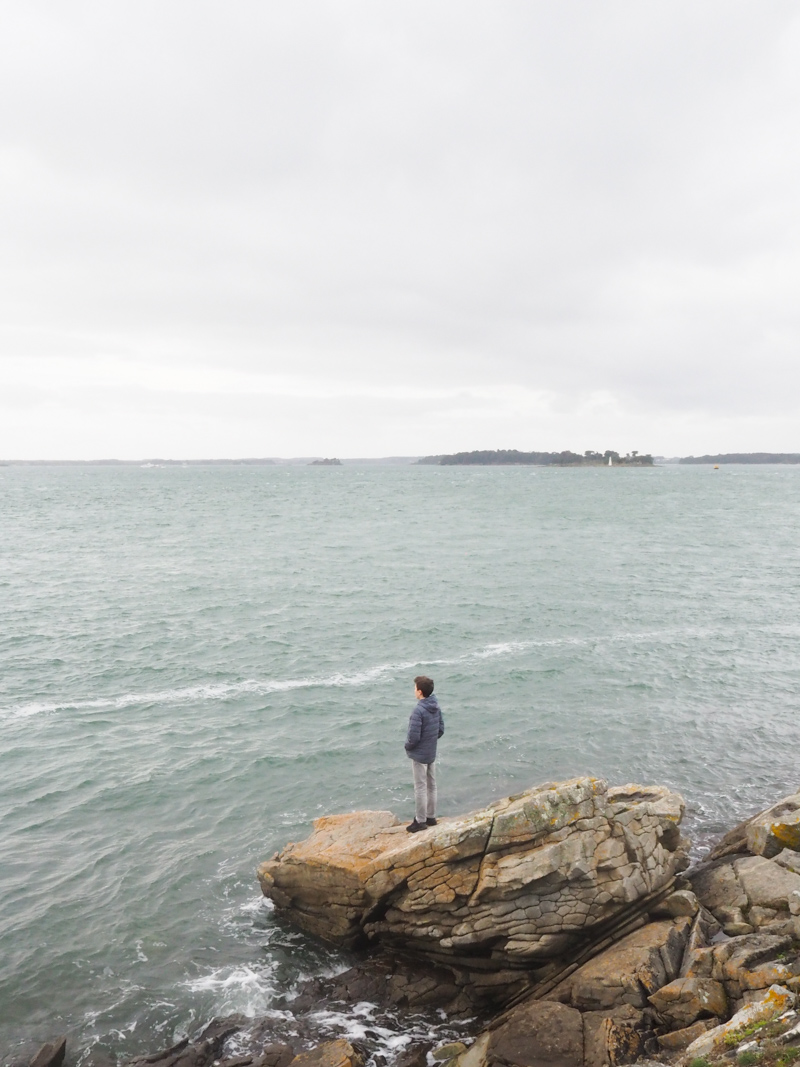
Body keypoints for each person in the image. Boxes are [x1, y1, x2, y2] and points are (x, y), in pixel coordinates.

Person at [404, 675, 445, 833]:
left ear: (420, 692)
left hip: (420, 755)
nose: (414, 691)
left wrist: (408, 746)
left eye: (415, 688)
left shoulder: (418, 710)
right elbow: (440, 729)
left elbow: (413, 737)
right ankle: (431, 817)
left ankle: (420, 821)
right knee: (432, 785)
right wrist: (430, 741)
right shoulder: (435, 706)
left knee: (420, 787)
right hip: (431, 752)